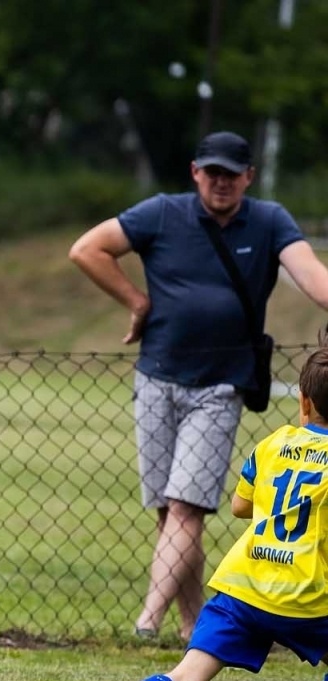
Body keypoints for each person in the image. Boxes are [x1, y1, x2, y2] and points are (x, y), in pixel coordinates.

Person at [70, 131, 328, 641]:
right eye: (212, 172)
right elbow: (87, 249)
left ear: (249, 177)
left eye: (232, 174)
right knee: (171, 513)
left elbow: (313, 277)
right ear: (195, 172)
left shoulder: (271, 221)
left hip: (222, 385)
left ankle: (147, 620)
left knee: (187, 507)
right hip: (155, 377)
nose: (222, 182)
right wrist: (136, 302)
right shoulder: (162, 213)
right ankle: (193, 627)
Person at [61, 345, 328, 681]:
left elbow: (241, 505)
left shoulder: (273, 444)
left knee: (187, 677)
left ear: (303, 402)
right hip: (306, 595)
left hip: (242, 586)